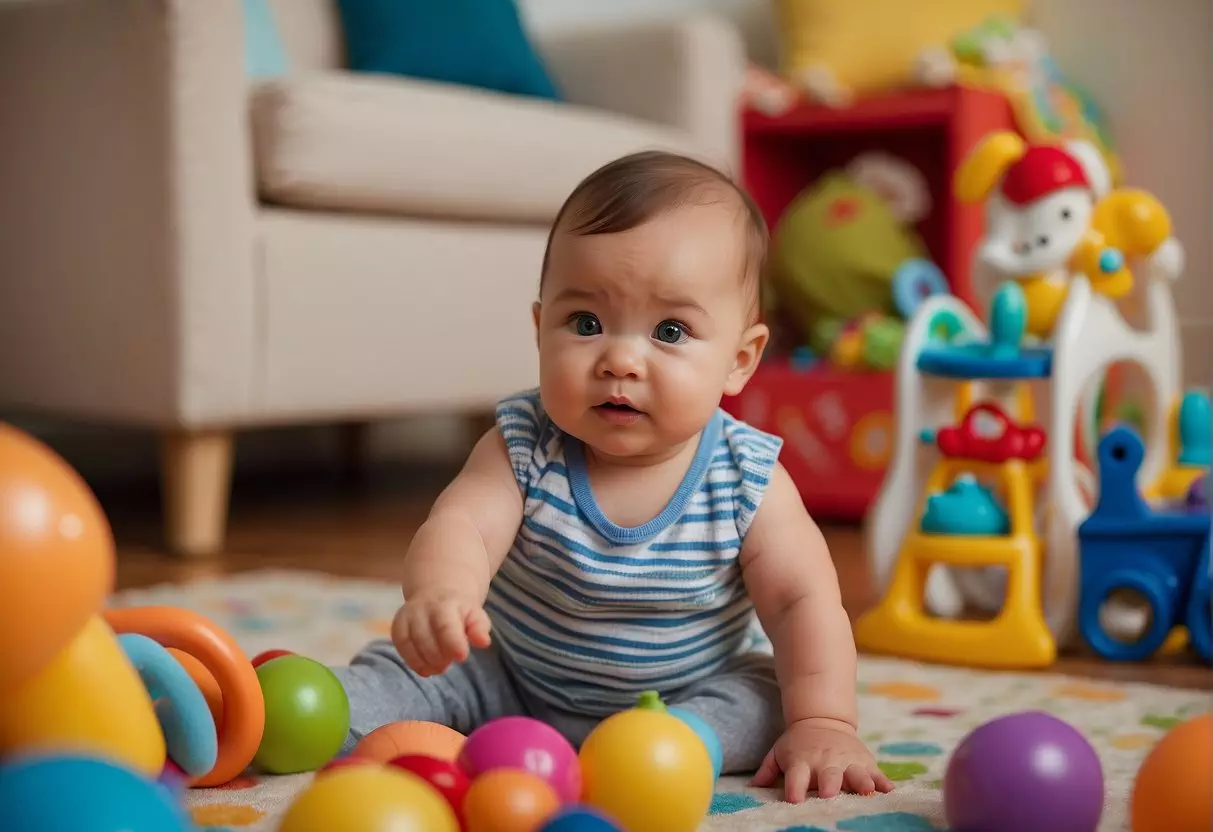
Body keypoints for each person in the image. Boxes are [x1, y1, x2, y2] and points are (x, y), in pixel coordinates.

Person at [331, 150, 893, 802]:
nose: (620, 359)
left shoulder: (745, 478)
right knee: (407, 673)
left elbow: (801, 602)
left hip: (683, 692)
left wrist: (823, 721)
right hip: (510, 679)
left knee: (763, 694)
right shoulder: (522, 443)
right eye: (586, 324)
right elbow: (462, 523)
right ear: (541, 331)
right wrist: (440, 596)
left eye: (670, 330)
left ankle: (667, 744)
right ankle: (297, 707)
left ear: (738, 361)